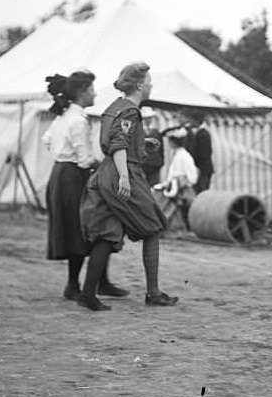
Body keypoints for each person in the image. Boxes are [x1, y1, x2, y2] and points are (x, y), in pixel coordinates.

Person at [79, 62, 178, 311]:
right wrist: (124, 177)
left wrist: (143, 141)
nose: (151, 85)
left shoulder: (115, 107)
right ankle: (153, 293)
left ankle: (88, 294)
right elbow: (119, 142)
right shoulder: (131, 111)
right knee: (153, 227)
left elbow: (118, 137)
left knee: (108, 231)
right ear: (139, 85)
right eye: (149, 81)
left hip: (105, 173)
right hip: (122, 173)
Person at [42, 71, 128, 302]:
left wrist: (62, 156)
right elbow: (85, 159)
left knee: (82, 227)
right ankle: (79, 284)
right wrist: (110, 167)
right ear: (81, 93)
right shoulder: (78, 121)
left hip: (60, 174)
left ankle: (95, 281)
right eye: (91, 90)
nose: (95, 93)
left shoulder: (62, 117)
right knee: (86, 227)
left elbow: (47, 140)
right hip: (74, 177)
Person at [158, 130, 199, 232]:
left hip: (183, 189)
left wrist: (179, 183)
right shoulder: (177, 155)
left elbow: (192, 177)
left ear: (173, 142)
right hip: (173, 187)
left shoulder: (185, 156)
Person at [186, 112, 214, 194]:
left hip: (203, 169)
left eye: (192, 121)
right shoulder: (200, 133)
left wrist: (195, 165)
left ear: (196, 121)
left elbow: (204, 154)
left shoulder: (203, 134)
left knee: (201, 192)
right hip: (202, 168)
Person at [139, 110, 165, 188]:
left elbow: (161, 149)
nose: (148, 120)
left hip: (154, 164)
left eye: (149, 118)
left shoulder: (156, 132)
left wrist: (161, 161)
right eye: (146, 118)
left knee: (155, 186)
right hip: (142, 164)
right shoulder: (138, 132)